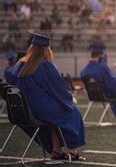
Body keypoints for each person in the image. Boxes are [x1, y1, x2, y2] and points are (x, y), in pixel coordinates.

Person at [6, 32, 86, 160]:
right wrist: (70, 99)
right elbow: (59, 89)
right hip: (42, 109)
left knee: (54, 118)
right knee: (72, 111)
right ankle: (72, 151)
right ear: (47, 49)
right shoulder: (46, 66)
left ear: (31, 48)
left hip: (25, 110)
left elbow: (9, 81)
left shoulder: (19, 66)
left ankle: (57, 151)